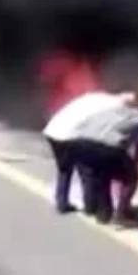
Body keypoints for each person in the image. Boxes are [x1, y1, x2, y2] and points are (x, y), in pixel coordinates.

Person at [43, 89, 138, 227]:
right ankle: (116, 213)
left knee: (96, 175)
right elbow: (137, 147)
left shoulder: (103, 102)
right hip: (76, 135)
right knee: (128, 177)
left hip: (62, 132)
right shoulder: (136, 115)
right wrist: (132, 163)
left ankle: (101, 213)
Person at [36, 50, 103, 215]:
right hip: (69, 135)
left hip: (54, 132)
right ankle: (90, 208)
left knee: (65, 170)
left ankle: (62, 203)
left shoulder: (79, 101)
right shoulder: (96, 103)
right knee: (85, 170)